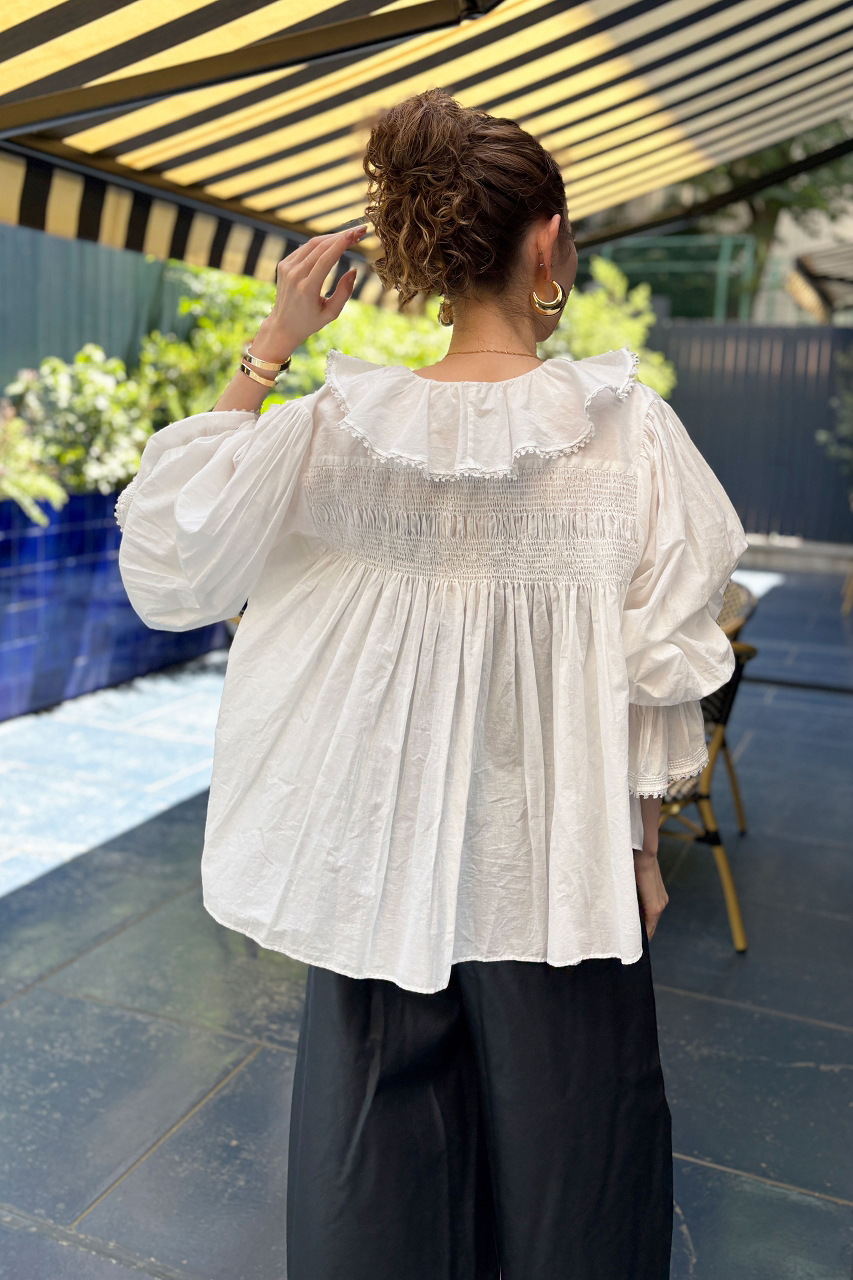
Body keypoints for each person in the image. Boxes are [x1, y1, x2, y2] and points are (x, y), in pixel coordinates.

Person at [117, 90, 746, 1280]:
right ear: (547, 242)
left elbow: (169, 553)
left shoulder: (339, 428)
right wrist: (641, 846)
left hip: (378, 871)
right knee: (576, 1190)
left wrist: (269, 346)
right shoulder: (629, 432)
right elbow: (657, 661)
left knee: (376, 1193)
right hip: (557, 878)